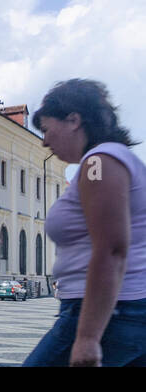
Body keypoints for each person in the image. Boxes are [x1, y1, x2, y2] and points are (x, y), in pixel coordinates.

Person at [24, 80, 146, 367]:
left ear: (74, 120)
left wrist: (88, 336)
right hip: (125, 309)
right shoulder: (113, 161)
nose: (43, 141)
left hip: (109, 313)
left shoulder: (98, 164)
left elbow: (111, 249)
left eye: (45, 128)